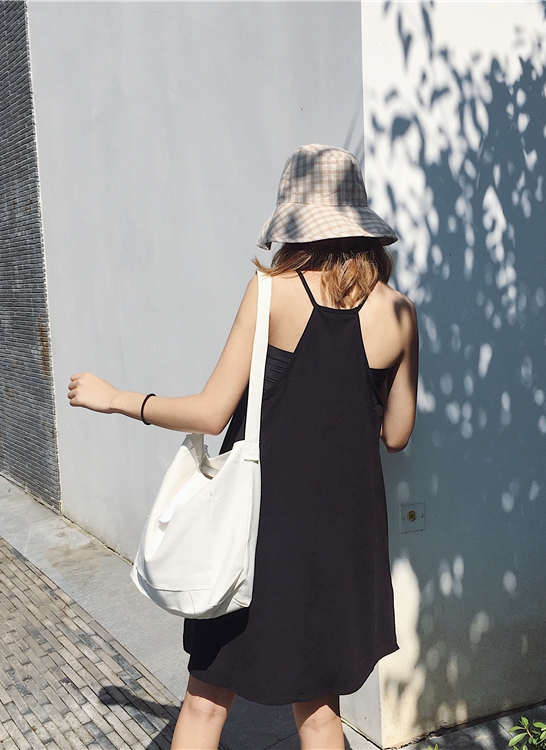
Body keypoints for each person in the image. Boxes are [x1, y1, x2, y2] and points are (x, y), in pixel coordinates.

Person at [68, 144, 418, 750]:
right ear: (360, 222)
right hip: (342, 539)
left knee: (206, 703)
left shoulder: (272, 291)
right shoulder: (400, 313)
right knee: (320, 713)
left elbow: (211, 411)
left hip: (257, 532)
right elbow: (396, 435)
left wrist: (118, 397)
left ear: (294, 220)